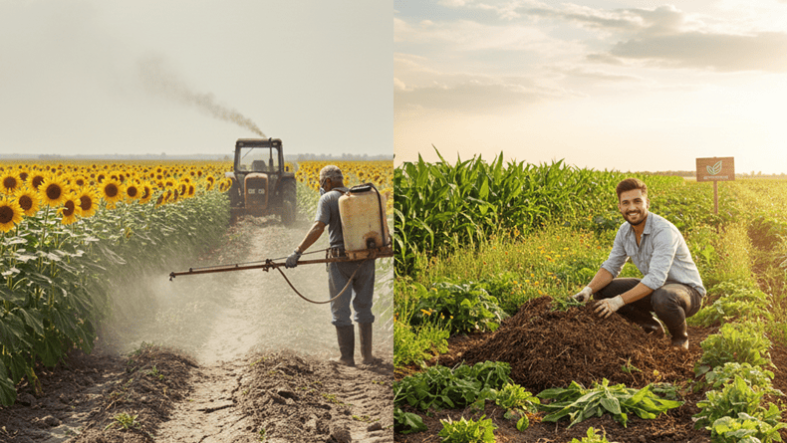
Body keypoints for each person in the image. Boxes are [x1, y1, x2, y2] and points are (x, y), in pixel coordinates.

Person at [572, 177, 705, 350]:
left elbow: (656, 278)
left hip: (686, 293)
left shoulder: (663, 231)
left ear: (647, 203)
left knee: (663, 297)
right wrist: (588, 290)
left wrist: (617, 302)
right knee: (603, 290)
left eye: (637, 201)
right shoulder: (624, 232)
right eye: (626, 203)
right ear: (620, 207)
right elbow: (612, 265)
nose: (632, 208)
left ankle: (680, 339)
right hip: (657, 289)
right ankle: (651, 326)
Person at [285, 165, 377, 366]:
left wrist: (298, 252)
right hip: (367, 260)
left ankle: (346, 358)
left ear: (327, 181)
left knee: (340, 308)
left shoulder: (328, 198)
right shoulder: (360, 196)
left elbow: (318, 226)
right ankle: (368, 357)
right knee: (363, 306)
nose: (321, 186)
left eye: (321, 183)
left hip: (340, 260)